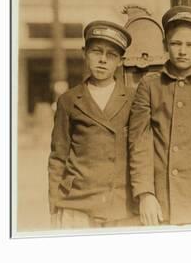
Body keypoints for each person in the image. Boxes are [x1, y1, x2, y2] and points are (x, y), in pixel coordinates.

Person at [128, 6, 191, 226]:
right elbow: (139, 143)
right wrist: (145, 194)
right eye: (176, 43)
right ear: (165, 45)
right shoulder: (149, 85)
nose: (183, 51)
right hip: (159, 203)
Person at [47, 20, 139, 229]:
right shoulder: (68, 100)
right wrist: (54, 203)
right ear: (84, 53)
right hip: (77, 203)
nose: (103, 60)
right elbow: (58, 158)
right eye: (97, 52)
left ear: (121, 61)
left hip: (120, 203)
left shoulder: (133, 99)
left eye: (111, 55)